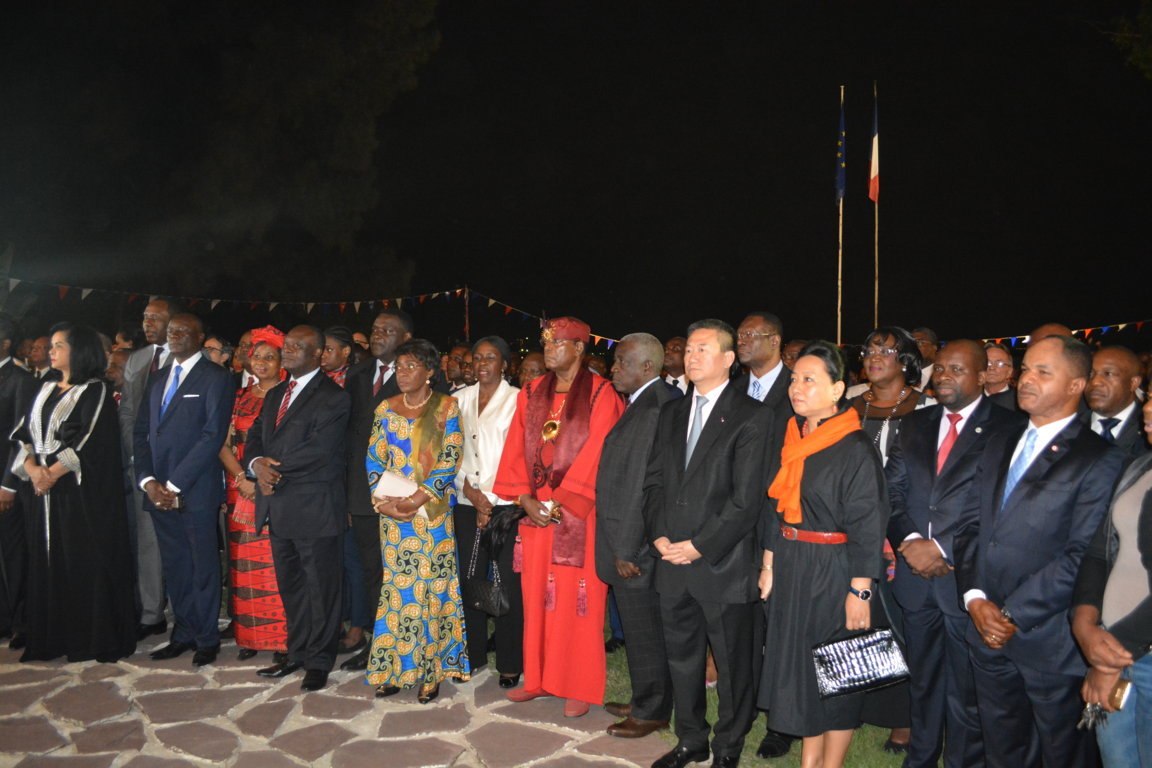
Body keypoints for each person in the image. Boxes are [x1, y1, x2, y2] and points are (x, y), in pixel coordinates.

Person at [953, 334, 1125, 768]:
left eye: (1043, 372)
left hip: (1049, 641)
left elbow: (1082, 554)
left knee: (1062, 754)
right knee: (1002, 749)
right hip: (985, 628)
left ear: (1076, 385)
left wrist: (1011, 614)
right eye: (1026, 368)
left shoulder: (1097, 457)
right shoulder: (1000, 438)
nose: (1027, 379)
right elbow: (971, 525)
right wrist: (974, 598)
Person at [885, 340, 1021, 768]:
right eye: (940, 368)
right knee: (923, 680)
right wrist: (910, 542)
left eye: (957, 369)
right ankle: (921, 758)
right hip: (915, 577)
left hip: (968, 579)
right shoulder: (914, 423)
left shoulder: (1009, 427)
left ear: (982, 376)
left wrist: (940, 547)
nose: (944, 376)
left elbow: (997, 503)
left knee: (967, 688)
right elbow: (891, 492)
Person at [643, 319, 772, 768]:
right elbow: (655, 481)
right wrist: (658, 534)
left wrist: (699, 545)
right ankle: (690, 739)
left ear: (728, 359)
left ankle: (728, 747)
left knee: (734, 665)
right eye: (689, 349)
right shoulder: (672, 412)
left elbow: (746, 500)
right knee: (682, 658)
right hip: (671, 559)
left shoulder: (752, 416)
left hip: (722, 562)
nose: (692, 357)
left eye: (703, 349)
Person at [759, 341, 888, 768]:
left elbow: (869, 525)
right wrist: (769, 564)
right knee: (801, 669)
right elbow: (776, 506)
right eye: (794, 378)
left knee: (838, 669)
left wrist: (861, 591)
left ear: (837, 390)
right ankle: (809, 759)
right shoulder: (795, 436)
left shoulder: (854, 447)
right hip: (792, 563)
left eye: (809, 380)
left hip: (834, 570)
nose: (797, 387)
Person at [494, 317, 623, 718]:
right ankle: (538, 679)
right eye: (546, 342)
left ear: (580, 348)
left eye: (558, 342)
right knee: (536, 598)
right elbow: (515, 447)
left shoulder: (601, 393)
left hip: (578, 514)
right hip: (536, 515)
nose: (549, 349)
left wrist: (561, 502)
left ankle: (577, 685)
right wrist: (524, 498)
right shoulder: (531, 392)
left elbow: (600, 450)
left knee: (577, 601)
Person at [11, 323, 136, 662]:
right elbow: (23, 434)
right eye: (51, 346)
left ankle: (87, 637)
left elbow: (88, 441)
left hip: (78, 494)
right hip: (42, 493)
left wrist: (50, 474)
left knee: (81, 560)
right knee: (46, 559)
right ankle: (53, 636)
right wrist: (33, 470)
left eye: (59, 346)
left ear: (78, 351)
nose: (51, 351)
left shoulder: (95, 391)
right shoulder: (45, 388)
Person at [248, 325, 351, 692]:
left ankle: (319, 662)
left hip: (315, 507)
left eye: (297, 346)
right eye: (286, 345)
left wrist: (270, 470)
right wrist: (255, 464)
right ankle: (297, 653)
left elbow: (320, 450)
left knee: (321, 589)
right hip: (278, 505)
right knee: (292, 586)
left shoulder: (334, 397)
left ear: (318, 354)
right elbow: (255, 435)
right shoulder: (277, 393)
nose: (287, 351)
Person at [365, 338, 468, 703]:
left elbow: (450, 458)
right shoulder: (385, 408)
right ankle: (395, 669)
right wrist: (384, 504)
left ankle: (430, 672)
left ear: (429, 372)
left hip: (431, 515)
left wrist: (416, 499)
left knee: (431, 590)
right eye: (399, 367)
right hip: (394, 517)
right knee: (397, 591)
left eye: (411, 366)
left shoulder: (446, 407)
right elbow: (374, 459)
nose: (403, 373)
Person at [134, 313, 234, 666]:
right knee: (176, 565)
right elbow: (142, 432)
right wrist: (148, 481)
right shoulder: (158, 377)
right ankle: (183, 633)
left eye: (183, 331)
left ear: (200, 336)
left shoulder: (216, 377)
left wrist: (174, 484)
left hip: (195, 490)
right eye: (172, 330)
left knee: (202, 565)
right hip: (157, 492)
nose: (174, 335)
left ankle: (207, 638)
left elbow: (212, 436)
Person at [595, 332, 680, 739]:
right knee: (642, 629)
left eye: (622, 362)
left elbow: (641, 486)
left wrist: (627, 548)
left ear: (647, 367)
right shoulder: (644, 401)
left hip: (637, 547)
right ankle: (647, 697)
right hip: (634, 541)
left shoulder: (654, 407)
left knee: (645, 630)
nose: (613, 369)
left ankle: (651, 711)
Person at [1072, 396, 1152, 767]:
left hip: (1129, 651)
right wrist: (1084, 623)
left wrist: (1110, 660)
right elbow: (1100, 551)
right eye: (1149, 397)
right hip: (1112, 646)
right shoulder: (1140, 466)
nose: (1147, 408)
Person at [453, 336, 523, 688]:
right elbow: (450, 451)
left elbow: (519, 455)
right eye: (477, 358)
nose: (482, 364)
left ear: (505, 364)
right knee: (469, 579)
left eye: (490, 358)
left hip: (506, 506)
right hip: (467, 503)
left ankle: (510, 661)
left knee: (506, 583)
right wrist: (470, 491)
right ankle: (474, 654)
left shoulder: (519, 400)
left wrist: (489, 501)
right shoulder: (458, 399)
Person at [217, 326, 288, 662]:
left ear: (281, 362)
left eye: (269, 357)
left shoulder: (289, 397)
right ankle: (250, 636)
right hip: (240, 490)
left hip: (275, 488)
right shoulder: (238, 397)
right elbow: (223, 445)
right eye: (256, 356)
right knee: (243, 564)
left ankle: (282, 640)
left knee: (275, 565)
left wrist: (259, 480)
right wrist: (240, 478)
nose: (260, 362)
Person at [120, 297, 182, 642]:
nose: (148, 323)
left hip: (177, 468)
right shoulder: (137, 358)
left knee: (179, 539)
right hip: (142, 467)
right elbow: (129, 412)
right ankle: (151, 613)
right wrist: (137, 458)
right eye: (146, 317)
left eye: (156, 318)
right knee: (147, 541)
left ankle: (181, 610)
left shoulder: (189, 358)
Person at [0, 313, 35, 651]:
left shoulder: (20, 379)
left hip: (7, 482)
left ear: (6, 343)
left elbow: (23, 439)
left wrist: (8, 484)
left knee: (15, 553)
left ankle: (23, 621)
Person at [1084, 346, 1148, 461]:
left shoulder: (1146, 428)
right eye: (1090, 374)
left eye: (1108, 374)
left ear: (1133, 383)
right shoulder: (1068, 426)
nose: (1095, 382)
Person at [984, 342, 1017, 411]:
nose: (992, 367)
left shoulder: (1019, 401)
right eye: (988, 363)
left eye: (999, 363)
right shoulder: (971, 400)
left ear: (1009, 371)